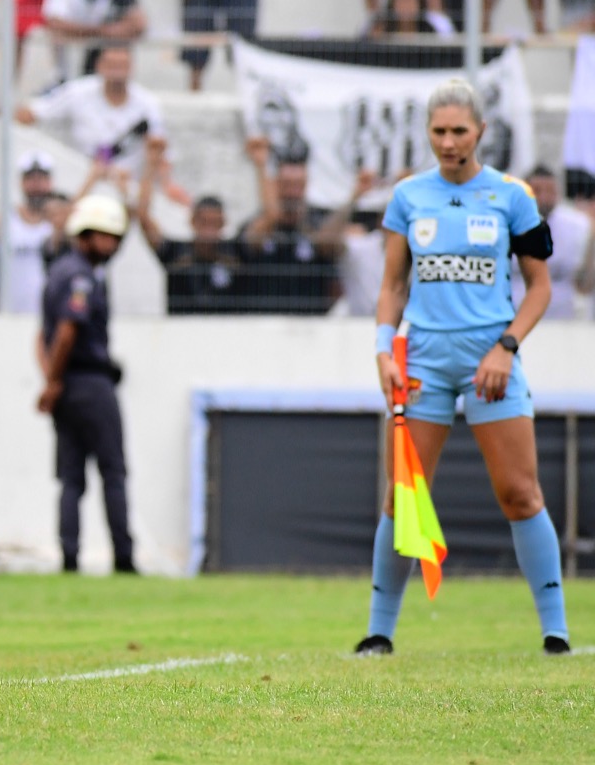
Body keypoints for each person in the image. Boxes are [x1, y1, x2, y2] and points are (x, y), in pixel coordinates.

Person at [357, 78, 567, 656]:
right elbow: (393, 285)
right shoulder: (407, 196)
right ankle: (379, 633)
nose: (448, 143)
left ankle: (556, 632)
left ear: (481, 131)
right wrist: (383, 349)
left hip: (490, 362)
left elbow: (539, 289)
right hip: (423, 361)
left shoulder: (512, 196)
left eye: (459, 131)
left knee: (519, 494)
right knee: (403, 497)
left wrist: (506, 347)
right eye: (438, 132)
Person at [37, 194, 134, 574]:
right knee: (113, 471)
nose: (114, 246)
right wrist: (55, 380)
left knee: (71, 479)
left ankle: (70, 558)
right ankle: (123, 558)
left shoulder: (59, 271)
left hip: (65, 385)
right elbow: (65, 332)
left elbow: (40, 337)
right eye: (108, 237)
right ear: (88, 235)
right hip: (90, 383)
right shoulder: (81, 277)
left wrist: (50, 382)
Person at [238, 137, 372, 315]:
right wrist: (261, 166)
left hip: (311, 325)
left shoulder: (316, 223)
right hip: (263, 323)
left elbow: (327, 243)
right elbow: (257, 235)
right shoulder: (259, 224)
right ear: (276, 185)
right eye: (286, 185)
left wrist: (355, 196)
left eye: (298, 185)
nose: (292, 192)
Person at [16, 43, 165, 182]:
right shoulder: (77, 92)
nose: (117, 72)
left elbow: (159, 148)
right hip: (82, 179)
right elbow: (33, 113)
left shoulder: (147, 103)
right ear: (99, 66)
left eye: (122, 66)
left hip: (129, 182)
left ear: (131, 67)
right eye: (112, 65)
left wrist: (166, 182)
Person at [136, 140, 247, 315]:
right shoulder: (175, 251)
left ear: (224, 223)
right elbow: (143, 218)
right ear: (192, 221)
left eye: (214, 223)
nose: (208, 230)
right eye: (204, 222)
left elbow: (271, 216)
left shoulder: (235, 253)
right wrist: (151, 164)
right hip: (181, 335)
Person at [0, 152, 69, 313]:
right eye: (31, 179)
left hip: (50, 315)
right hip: (10, 314)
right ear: (21, 183)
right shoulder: (3, 222)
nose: (36, 186)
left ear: (50, 182)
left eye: (42, 179)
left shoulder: (59, 223)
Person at [512, 166, 591, 319]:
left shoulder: (577, 226)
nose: (544, 197)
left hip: (563, 320)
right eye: (537, 190)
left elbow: (584, 284)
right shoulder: (506, 224)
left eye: (550, 191)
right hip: (516, 317)